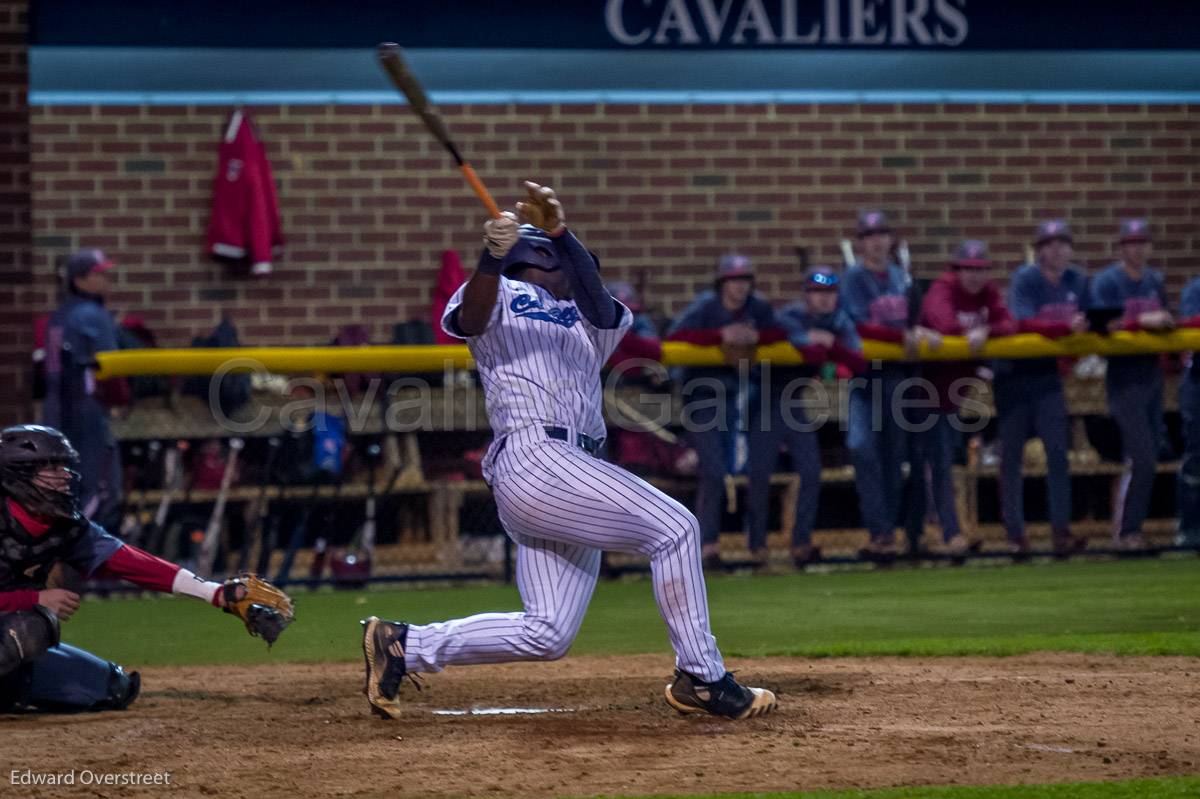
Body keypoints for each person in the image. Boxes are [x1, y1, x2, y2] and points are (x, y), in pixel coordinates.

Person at [360, 182, 776, 721]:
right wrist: (492, 257)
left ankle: (402, 646)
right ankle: (703, 677)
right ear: (533, 260)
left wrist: (560, 231)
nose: (578, 272)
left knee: (547, 631)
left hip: (573, 468)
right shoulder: (499, 294)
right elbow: (470, 320)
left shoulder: (586, 317)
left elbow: (601, 305)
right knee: (675, 528)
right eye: (561, 260)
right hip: (536, 456)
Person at [0, 425, 293, 713]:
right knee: (33, 626)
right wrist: (34, 600)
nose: (64, 475)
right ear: (19, 475)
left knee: (113, 687)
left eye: (63, 465)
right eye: (50, 467)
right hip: (14, 627)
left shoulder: (61, 524)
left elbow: (129, 562)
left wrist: (213, 592)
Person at [665, 254, 786, 570]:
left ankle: (753, 544)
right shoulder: (706, 306)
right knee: (715, 471)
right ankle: (707, 545)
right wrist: (720, 335)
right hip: (703, 395)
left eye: (745, 279)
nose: (740, 286)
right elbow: (675, 338)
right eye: (734, 280)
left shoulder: (756, 308)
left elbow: (781, 333)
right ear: (722, 283)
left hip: (741, 395)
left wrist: (756, 336)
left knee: (742, 469)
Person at [839, 210, 940, 560]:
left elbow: (917, 319)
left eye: (882, 234)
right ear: (861, 243)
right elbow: (858, 325)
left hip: (899, 377)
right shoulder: (853, 278)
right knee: (862, 447)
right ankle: (879, 530)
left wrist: (920, 331)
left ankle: (891, 535)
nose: (877, 241)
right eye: (869, 236)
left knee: (894, 459)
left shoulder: (901, 276)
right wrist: (902, 335)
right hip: (867, 378)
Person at [994, 220, 1089, 560]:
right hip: (1015, 376)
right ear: (1039, 250)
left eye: (1062, 243)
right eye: (1049, 244)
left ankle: (1060, 531)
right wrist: (1065, 328)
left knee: (1057, 455)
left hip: (1049, 376)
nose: (1056, 249)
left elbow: (1089, 323)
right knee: (1012, 458)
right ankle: (1015, 536)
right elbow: (1024, 322)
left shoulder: (1078, 280)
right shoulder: (1026, 277)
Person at [918, 240, 1016, 556]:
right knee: (937, 463)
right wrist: (977, 330)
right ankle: (946, 533)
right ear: (955, 269)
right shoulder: (941, 289)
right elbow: (944, 323)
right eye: (968, 270)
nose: (974, 276)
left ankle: (942, 532)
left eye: (980, 270)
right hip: (920, 390)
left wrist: (986, 329)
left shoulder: (987, 293)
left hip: (954, 393)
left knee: (945, 461)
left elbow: (1010, 323)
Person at [772, 266, 866, 567]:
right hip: (764, 397)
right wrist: (808, 339)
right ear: (806, 295)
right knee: (758, 474)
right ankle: (755, 545)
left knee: (811, 471)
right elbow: (775, 335)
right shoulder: (788, 316)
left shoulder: (839, 320)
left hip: (797, 400)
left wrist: (831, 345)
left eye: (829, 292)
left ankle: (800, 543)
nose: (824, 299)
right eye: (817, 292)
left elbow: (859, 362)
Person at [1089, 219, 1173, 550]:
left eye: (1142, 242)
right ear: (1121, 247)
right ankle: (1127, 532)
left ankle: (1130, 530)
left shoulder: (1154, 280)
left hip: (1152, 374)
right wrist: (1141, 321)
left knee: (1151, 454)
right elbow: (1102, 325)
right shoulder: (1108, 281)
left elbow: (1166, 317)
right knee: (1142, 457)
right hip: (1124, 377)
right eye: (1131, 243)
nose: (1137, 248)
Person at [41, 249, 123, 531]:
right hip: (85, 407)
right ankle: (89, 562)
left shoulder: (59, 315)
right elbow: (111, 371)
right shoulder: (92, 314)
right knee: (101, 489)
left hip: (55, 409)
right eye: (98, 274)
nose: (106, 280)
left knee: (67, 486)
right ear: (79, 280)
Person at [1176, 277, 1200, 549]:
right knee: (1195, 459)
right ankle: (1190, 529)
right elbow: (1190, 322)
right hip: (1197, 379)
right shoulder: (1194, 289)